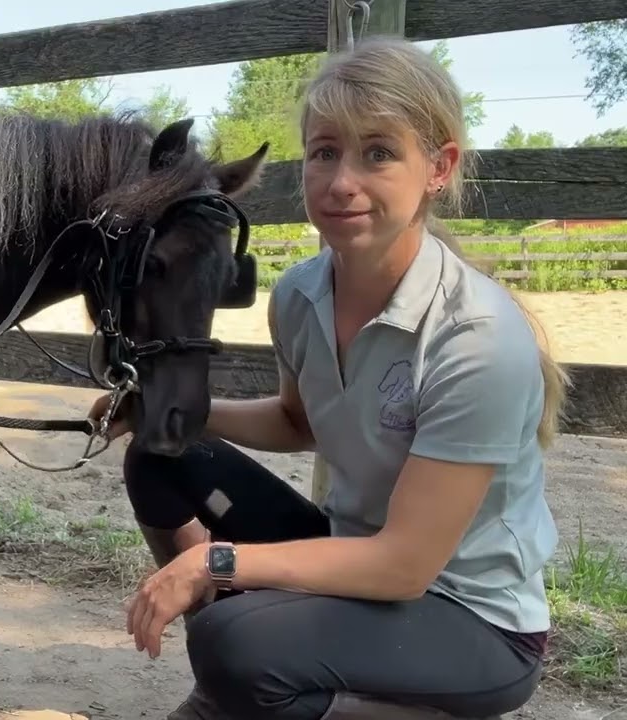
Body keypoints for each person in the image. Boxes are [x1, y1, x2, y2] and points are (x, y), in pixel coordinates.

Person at [92, 36, 570, 720]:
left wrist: (214, 563)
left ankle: (265, 677)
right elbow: (299, 422)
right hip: (355, 562)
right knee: (161, 455)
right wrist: (163, 411)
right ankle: (247, 679)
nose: (342, 181)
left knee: (236, 643)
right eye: (324, 152)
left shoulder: (478, 339)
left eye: (378, 153)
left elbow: (405, 565)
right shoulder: (300, 294)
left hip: (470, 621)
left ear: (438, 168)